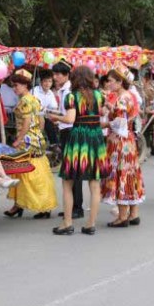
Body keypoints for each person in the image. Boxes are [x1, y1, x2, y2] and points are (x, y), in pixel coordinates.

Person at [48, 65, 109, 235]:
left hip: (79, 140)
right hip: (96, 138)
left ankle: (67, 223)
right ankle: (90, 224)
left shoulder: (72, 97)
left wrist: (54, 117)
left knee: (68, 182)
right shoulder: (98, 95)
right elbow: (103, 112)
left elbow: (69, 119)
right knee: (94, 183)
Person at [4, 70, 58, 219]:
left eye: (17, 85)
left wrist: (19, 139)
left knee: (28, 175)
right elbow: (41, 121)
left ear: (25, 85)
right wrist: (37, 135)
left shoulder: (25, 101)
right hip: (37, 140)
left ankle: (39, 206)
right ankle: (20, 205)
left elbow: (27, 122)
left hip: (26, 143)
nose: (14, 88)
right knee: (30, 174)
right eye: (13, 85)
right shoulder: (34, 99)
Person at [100, 67, 145, 227]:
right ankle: (133, 213)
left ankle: (122, 216)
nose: (108, 83)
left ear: (120, 82)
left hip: (119, 141)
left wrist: (105, 123)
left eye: (111, 81)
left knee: (121, 174)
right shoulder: (127, 96)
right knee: (130, 173)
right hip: (128, 140)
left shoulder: (122, 98)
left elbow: (120, 122)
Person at [52, 60, 84, 219]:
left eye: (58, 74)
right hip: (66, 131)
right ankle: (72, 206)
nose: (55, 77)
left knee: (73, 172)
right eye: (54, 74)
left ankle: (77, 207)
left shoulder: (69, 91)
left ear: (66, 75)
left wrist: (54, 117)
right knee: (70, 171)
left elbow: (70, 118)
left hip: (70, 131)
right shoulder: (63, 90)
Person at [31, 70, 59, 145]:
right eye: (45, 81)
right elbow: (35, 106)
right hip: (33, 116)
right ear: (41, 82)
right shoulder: (35, 90)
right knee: (47, 121)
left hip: (45, 116)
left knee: (56, 119)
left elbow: (54, 107)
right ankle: (52, 143)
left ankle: (55, 144)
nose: (47, 84)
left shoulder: (50, 93)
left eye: (50, 81)